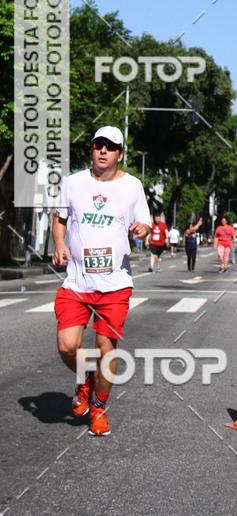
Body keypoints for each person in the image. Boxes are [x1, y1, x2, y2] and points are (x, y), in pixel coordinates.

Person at [52, 125, 151, 437]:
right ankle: (86, 378)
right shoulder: (73, 183)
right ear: (92, 150)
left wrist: (142, 230)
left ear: (120, 155)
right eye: (98, 146)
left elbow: (146, 222)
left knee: (107, 350)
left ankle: (98, 407)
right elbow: (60, 217)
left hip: (115, 283)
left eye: (110, 147)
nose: (103, 151)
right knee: (68, 346)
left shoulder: (132, 186)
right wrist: (59, 244)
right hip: (77, 283)